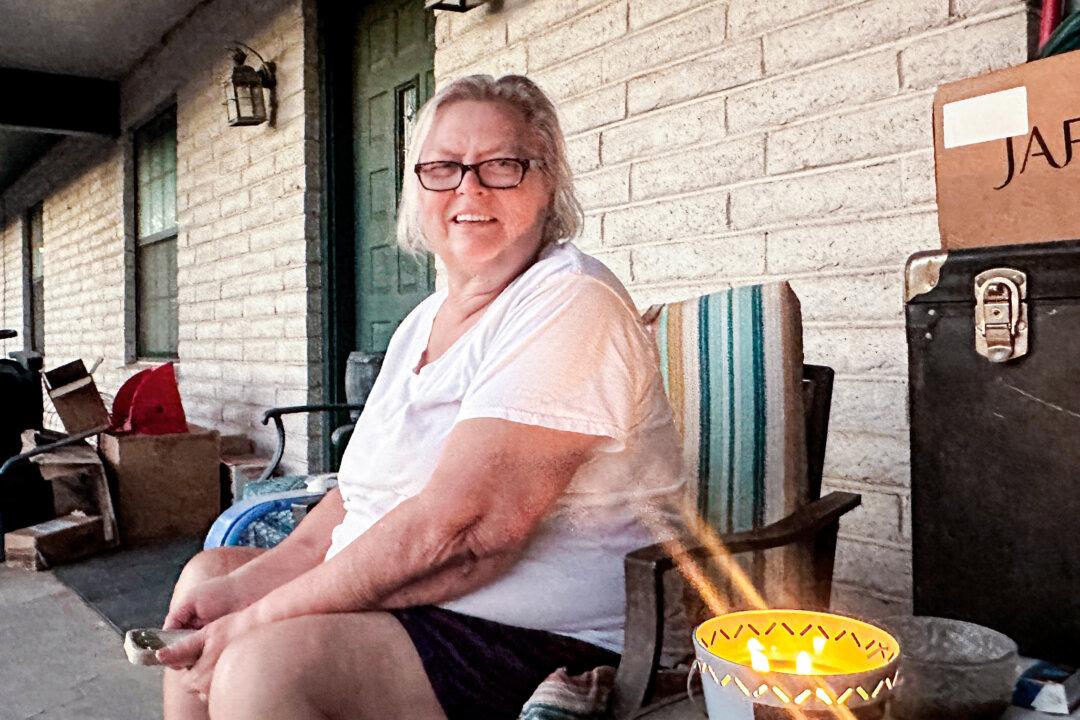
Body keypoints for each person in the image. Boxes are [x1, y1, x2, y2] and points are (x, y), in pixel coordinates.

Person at [159, 74, 685, 720]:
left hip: (539, 635)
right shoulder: (421, 324)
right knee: (207, 582)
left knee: (260, 665)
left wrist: (257, 619)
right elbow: (354, 501)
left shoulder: (571, 302)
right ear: (417, 189)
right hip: (422, 604)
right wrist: (245, 590)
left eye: (500, 165)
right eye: (443, 168)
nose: (468, 188)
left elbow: (464, 535)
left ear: (547, 184)